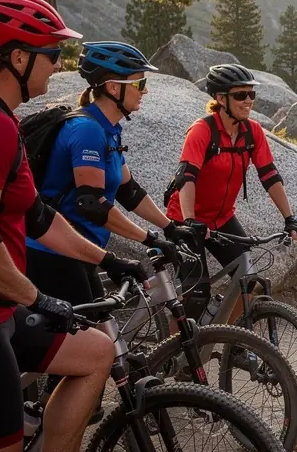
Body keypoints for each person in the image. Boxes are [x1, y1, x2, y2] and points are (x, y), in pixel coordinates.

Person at [0, 0, 140, 452]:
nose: (58, 64)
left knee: (95, 351)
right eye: (51, 53)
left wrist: (109, 259)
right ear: (17, 58)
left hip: (1, 309)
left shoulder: (4, 120)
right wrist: (38, 297)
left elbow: (40, 217)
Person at [26, 41, 192, 307]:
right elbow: (92, 204)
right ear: (114, 88)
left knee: (101, 327)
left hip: (83, 250)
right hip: (54, 254)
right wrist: (149, 238)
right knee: (89, 331)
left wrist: (169, 228)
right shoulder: (87, 130)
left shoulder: (107, 129)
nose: (145, 90)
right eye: (139, 83)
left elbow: (129, 191)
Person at [165, 63, 297, 318]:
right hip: (187, 220)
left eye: (251, 94)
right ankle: (177, 343)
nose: (248, 100)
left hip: (223, 218)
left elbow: (270, 176)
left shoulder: (252, 132)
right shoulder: (202, 131)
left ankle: (230, 338)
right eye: (241, 95)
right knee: (195, 295)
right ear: (221, 99)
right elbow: (186, 178)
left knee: (248, 282)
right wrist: (189, 222)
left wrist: (290, 218)